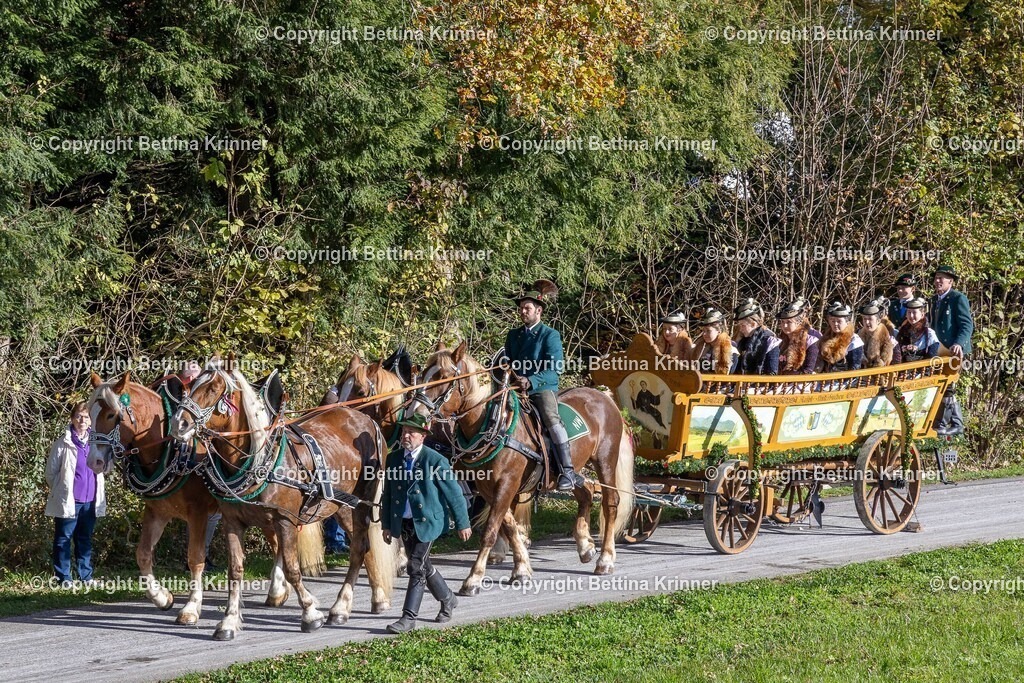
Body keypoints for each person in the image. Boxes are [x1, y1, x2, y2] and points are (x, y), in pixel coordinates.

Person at [381, 414, 471, 634]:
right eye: (404, 432)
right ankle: (448, 599)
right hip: (405, 522)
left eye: (411, 432)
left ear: (422, 436)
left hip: (429, 522)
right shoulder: (393, 459)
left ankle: (408, 618)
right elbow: (389, 493)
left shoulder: (435, 460)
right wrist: (386, 524)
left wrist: (463, 523)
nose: (406, 436)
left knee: (415, 567)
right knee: (424, 566)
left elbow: (454, 493)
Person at [504, 279, 582, 491]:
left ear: (539, 311)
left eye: (527, 308)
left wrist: (530, 381)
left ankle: (567, 470)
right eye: (521, 308)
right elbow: (508, 361)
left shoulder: (550, 335)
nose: (522, 312)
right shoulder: (513, 335)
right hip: (513, 387)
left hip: (541, 388)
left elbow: (555, 368)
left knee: (551, 417)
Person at [45, 401, 106, 586]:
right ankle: (64, 578)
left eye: (86, 417)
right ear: (72, 419)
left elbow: (104, 467)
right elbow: (50, 473)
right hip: (69, 501)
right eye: (78, 416)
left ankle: (85, 577)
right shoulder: (63, 443)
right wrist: (62, 490)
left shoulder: (96, 442)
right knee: (63, 539)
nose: (82, 420)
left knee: (84, 539)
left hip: (90, 501)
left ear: (90, 421)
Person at [929, 265, 973, 435]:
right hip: (937, 351)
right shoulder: (933, 300)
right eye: (936, 277)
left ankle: (951, 424)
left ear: (951, 281)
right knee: (941, 385)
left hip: (953, 351)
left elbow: (967, 324)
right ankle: (948, 423)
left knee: (949, 385)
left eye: (942, 278)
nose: (938, 281)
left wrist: (959, 343)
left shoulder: (958, 298)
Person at [733, 299, 780, 375]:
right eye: (739, 325)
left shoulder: (770, 341)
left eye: (743, 325)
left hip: (760, 385)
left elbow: (772, 372)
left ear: (753, 324)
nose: (740, 329)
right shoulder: (742, 341)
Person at [776, 297, 822, 375]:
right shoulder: (780, 341)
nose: (785, 325)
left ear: (798, 323)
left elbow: (808, 370)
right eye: (782, 322)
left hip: (802, 382)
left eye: (789, 322)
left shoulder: (811, 340)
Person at [687, 306, 737, 373]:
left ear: (719, 331)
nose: (704, 334)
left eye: (708, 331)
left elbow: (727, 375)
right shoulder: (701, 348)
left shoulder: (730, 350)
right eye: (703, 331)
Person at [818, 301, 864, 372]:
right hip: (825, 379)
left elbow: (854, 369)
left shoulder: (854, 341)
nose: (835, 324)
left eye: (839, 321)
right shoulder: (826, 338)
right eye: (833, 321)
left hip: (845, 380)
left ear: (847, 322)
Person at [858, 297, 900, 367]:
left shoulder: (890, 340)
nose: (867, 322)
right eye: (864, 319)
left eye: (870, 319)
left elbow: (897, 363)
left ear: (878, 320)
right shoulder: (858, 337)